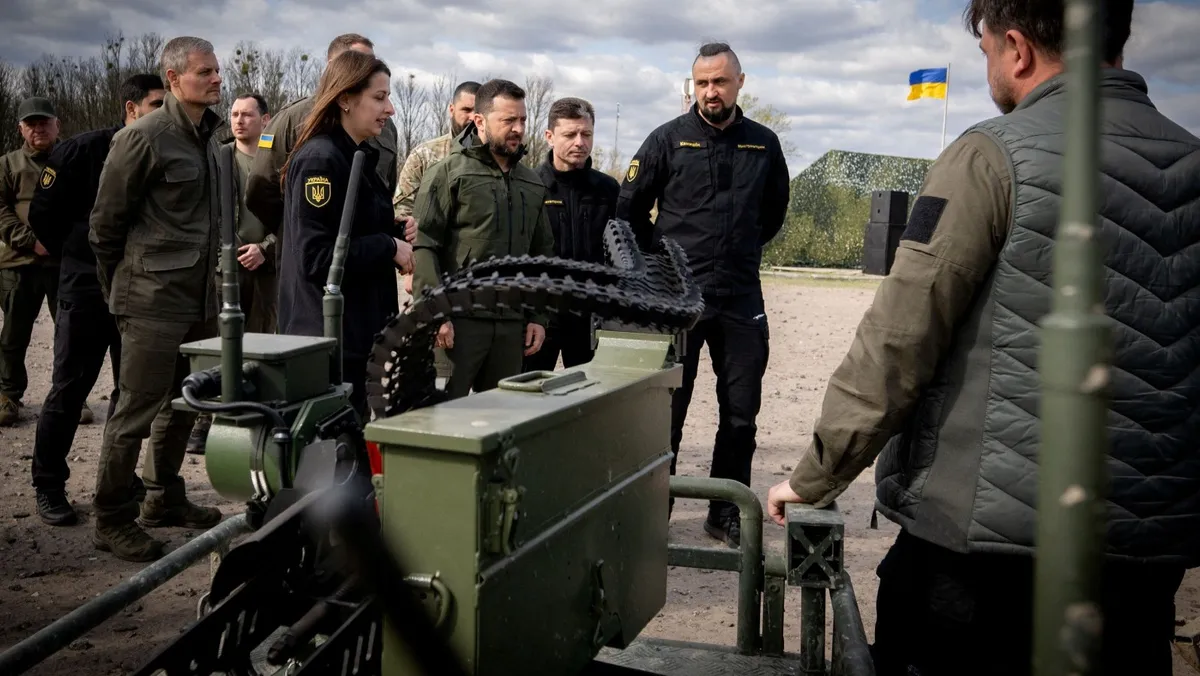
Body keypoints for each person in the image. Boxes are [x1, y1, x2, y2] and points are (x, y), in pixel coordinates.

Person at [765, 1, 1200, 674]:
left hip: (980, 565)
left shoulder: (990, 156)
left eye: (987, 50)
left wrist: (815, 477)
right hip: (1144, 565)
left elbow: (898, 339)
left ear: (1017, 49)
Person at [616, 42, 790, 547]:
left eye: (720, 81)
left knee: (740, 415)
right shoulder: (667, 140)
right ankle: (657, 510)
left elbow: (772, 214)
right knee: (666, 413)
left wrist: (738, 251)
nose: (711, 91)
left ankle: (724, 513)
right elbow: (628, 211)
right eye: (702, 83)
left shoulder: (764, 144)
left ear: (740, 82)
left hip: (740, 297)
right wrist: (659, 266)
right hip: (678, 300)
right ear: (693, 86)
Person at [88, 36, 226, 562]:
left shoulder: (210, 138)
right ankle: (111, 518)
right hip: (151, 299)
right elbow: (104, 226)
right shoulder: (143, 137)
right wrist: (122, 290)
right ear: (173, 79)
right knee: (135, 411)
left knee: (185, 401)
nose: (215, 78)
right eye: (204, 71)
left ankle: (162, 498)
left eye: (216, 70)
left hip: (200, 298)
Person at [26, 73, 165, 526]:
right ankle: (49, 484)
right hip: (86, 288)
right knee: (70, 388)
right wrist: (81, 257)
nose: (165, 114)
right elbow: (44, 216)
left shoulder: (165, 152)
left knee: (131, 393)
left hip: (139, 289)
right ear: (131, 109)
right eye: (156, 105)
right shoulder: (82, 151)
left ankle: (118, 479)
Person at [276, 50, 413, 418]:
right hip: (326, 341)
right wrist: (388, 246)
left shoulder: (357, 156)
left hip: (353, 336)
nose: (390, 109)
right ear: (345, 99)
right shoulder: (321, 160)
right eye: (379, 98)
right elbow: (316, 257)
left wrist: (395, 230)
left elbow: (351, 228)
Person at [411, 78, 555, 400]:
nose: (518, 129)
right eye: (508, 120)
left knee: (501, 418)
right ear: (479, 121)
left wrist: (538, 317)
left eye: (523, 120)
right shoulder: (448, 173)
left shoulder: (532, 183)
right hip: (458, 324)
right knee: (443, 416)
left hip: (511, 328)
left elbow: (542, 255)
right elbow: (425, 245)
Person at [244, 33, 410, 263]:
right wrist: (292, 231)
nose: (366, 69)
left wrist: (388, 227)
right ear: (333, 67)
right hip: (320, 260)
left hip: (365, 258)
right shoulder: (293, 119)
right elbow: (260, 188)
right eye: (355, 62)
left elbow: (383, 188)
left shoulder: (386, 126)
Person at [523, 96, 619, 372]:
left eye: (586, 134)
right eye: (570, 134)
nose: (580, 142)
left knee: (592, 392)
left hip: (591, 317)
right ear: (550, 137)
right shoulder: (529, 187)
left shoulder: (608, 190)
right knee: (531, 389)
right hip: (542, 316)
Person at [395, 79, 479, 381]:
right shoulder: (426, 155)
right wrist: (411, 268)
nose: (471, 118)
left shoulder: (493, 162)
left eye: (477, 112)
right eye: (466, 110)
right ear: (451, 109)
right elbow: (402, 211)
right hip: (429, 269)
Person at [0, 96, 62, 427]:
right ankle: (8, 395)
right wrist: (30, 242)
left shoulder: (72, 159)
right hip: (18, 262)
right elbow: (0, 211)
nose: (38, 128)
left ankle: (68, 396)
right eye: (31, 124)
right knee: (14, 333)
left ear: (57, 125)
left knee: (69, 333)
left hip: (62, 263)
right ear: (21, 129)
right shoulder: (7, 164)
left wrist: (64, 243)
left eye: (44, 122)